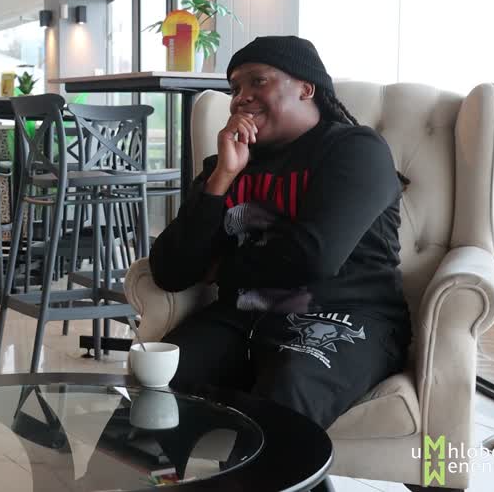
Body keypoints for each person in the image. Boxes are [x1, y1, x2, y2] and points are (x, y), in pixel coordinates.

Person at [149, 35, 411, 429]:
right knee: (155, 381)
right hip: (242, 318)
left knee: (287, 394)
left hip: (342, 315)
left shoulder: (356, 149)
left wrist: (221, 269)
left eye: (258, 81)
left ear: (307, 88)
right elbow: (170, 271)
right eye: (235, 88)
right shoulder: (227, 163)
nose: (241, 97)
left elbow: (314, 257)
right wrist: (221, 179)